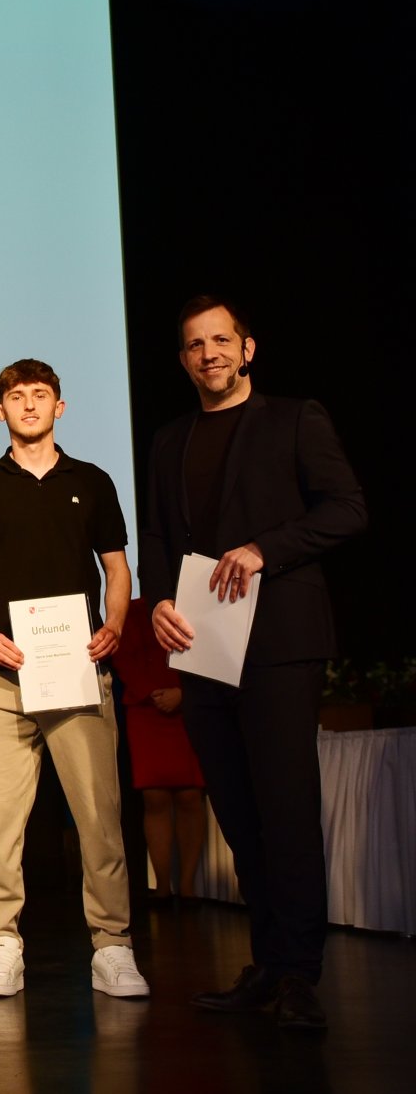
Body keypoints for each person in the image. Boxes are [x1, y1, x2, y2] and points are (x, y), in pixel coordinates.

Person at [141, 295, 366, 1031]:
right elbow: (160, 547)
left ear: (247, 348)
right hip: (203, 644)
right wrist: (157, 604)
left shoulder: (294, 417)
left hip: (278, 642)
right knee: (238, 812)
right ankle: (268, 962)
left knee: (287, 809)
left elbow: (346, 509)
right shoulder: (170, 440)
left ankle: (300, 972)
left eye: (221, 340)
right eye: (194, 344)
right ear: (183, 359)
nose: (208, 353)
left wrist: (265, 549)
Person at [0, 358, 148, 999]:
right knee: (1, 825)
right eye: (15, 396)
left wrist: (114, 624)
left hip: (79, 675)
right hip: (2, 682)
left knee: (99, 818)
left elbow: (116, 568)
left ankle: (112, 946)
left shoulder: (91, 481)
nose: (28, 405)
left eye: (40, 395)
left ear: (59, 407)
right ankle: (2, 944)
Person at [111, 596, 207, 901]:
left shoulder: (194, 605)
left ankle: (189, 885)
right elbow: (121, 654)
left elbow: (206, 652)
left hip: (187, 706)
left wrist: (184, 693)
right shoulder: (132, 610)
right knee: (155, 797)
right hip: (146, 708)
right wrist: (150, 692)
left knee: (191, 795)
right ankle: (163, 886)